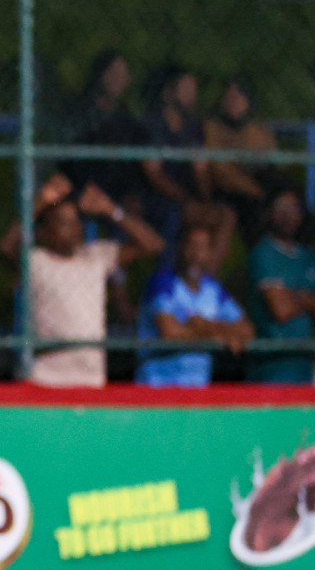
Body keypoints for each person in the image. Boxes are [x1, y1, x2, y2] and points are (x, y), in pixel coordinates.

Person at [23, 182, 164, 388]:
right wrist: (40, 202)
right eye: (64, 222)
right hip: (46, 377)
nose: (75, 228)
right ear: (45, 232)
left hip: (90, 378)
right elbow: (7, 246)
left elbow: (153, 244)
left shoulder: (96, 256)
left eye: (76, 221)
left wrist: (111, 209)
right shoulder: (37, 261)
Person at [136, 224, 253, 386]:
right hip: (157, 384)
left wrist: (205, 325)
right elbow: (170, 332)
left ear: (210, 253)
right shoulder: (163, 282)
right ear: (179, 248)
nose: (197, 254)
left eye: (203, 248)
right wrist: (217, 335)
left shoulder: (213, 288)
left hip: (196, 387)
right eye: (192, 246)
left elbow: (246, 330)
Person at [141, 67, 236, 269]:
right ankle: (167, 281)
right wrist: (185, 199)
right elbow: (154, 174)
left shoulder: (194, 127)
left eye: (193, 88)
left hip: (188, 198)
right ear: (168, 93)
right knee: (176, 216)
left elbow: (202, 177)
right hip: (156, 197)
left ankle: (207, 281)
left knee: (225, 215)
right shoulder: (153, 123)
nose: (190, 94)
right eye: (185, 88)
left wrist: (202, 184)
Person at [246, 188, 315, 384]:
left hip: (303, 370)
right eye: (282, 208)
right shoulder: (263, 254)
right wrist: (310, 300)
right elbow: (281, 309)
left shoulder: (306, 257)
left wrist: (298, 297)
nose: (289, 214)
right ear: (267, 213)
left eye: (294, 207)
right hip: (271, 372)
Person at [57, 48, 149, 206]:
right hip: (84, 188)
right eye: (112, 72)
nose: (118, 79)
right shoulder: (79, 112)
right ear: (99, 75)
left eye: (123, 74)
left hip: (120, 194)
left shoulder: (127, 118)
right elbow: (72, 163)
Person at [203, 75, 278, 248]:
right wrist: (255, 191)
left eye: (237, 98)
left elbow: (268, 164)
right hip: (230, 191)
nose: (231, 102)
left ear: (248, 101)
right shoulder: (213, 127)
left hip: (257, 187)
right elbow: (222, 170)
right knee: (251, 209)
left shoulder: (258, 130)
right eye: (228, 97)